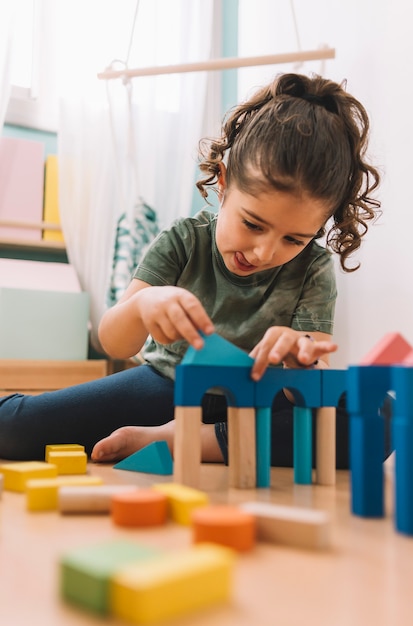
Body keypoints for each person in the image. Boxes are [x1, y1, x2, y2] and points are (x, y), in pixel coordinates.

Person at [0, 72, 386, 466]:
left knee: (379, 417)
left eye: (295, 239)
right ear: (223, 182)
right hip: (167, 389)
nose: (264, 251)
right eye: (253, 224)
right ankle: (202, 439)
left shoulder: (314, 268)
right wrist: (143, 305)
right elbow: (114, 344)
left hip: (261, 405)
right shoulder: (184, 240)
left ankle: (180, 441)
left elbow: (308, 388)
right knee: (11, 428)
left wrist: (300, 364)